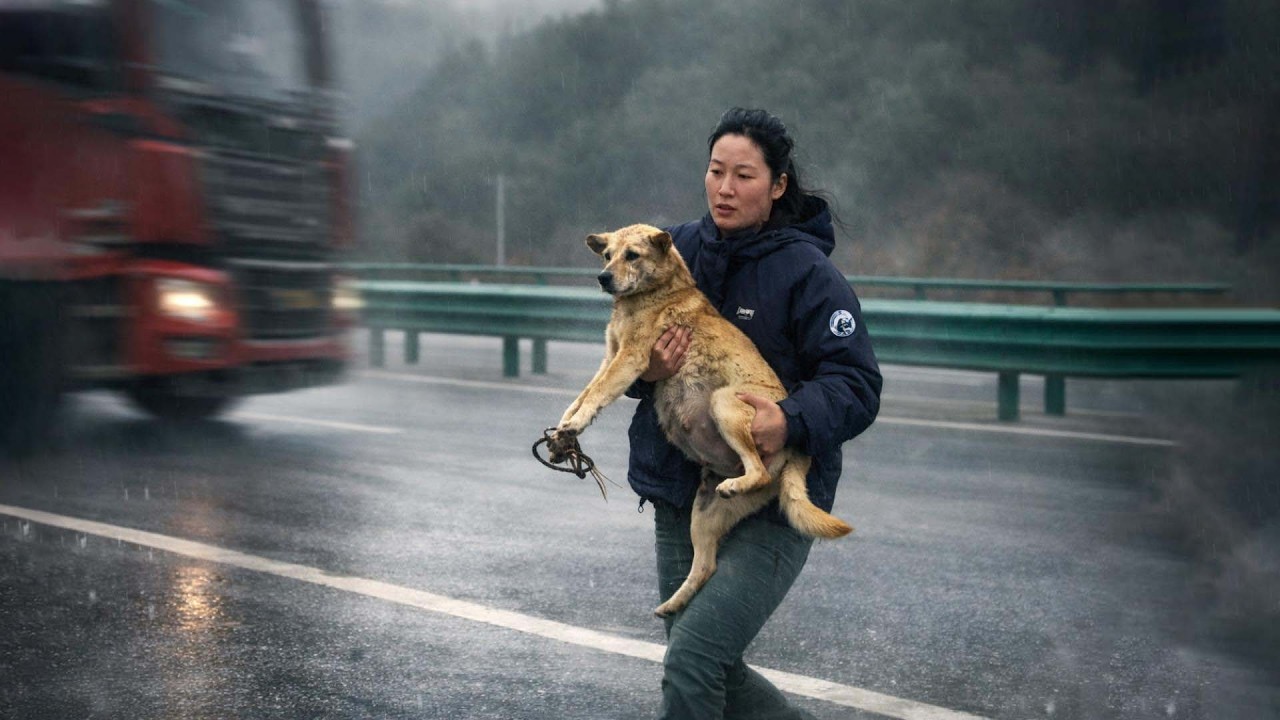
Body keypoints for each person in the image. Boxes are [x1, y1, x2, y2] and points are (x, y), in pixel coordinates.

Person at [625, 107, 882, 719]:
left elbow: (856, 381)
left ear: (778, 185)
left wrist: (788, 419)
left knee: (693, 661)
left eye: (743, 175)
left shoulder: (809, 274)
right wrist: (648, 372)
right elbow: (627, 349)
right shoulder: (672, 247)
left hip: (772, 496)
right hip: (683, 491)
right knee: (706, 664)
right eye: (716, 171)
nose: (725, 188)